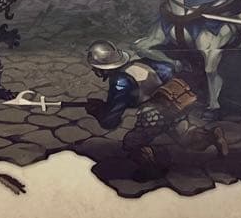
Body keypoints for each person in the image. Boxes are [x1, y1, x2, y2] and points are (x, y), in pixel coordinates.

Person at [85, 40, 227, 180]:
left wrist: (98, 111)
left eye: (95, 67)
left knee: (132, 142)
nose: (94, 70)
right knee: (185, 136)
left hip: (154, 113)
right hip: (175, 104)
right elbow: (168, 70)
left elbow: (110, 121)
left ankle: (151, 170)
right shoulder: (141, 63)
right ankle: (212, 136)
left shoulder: (120, 82)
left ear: (104, 68)